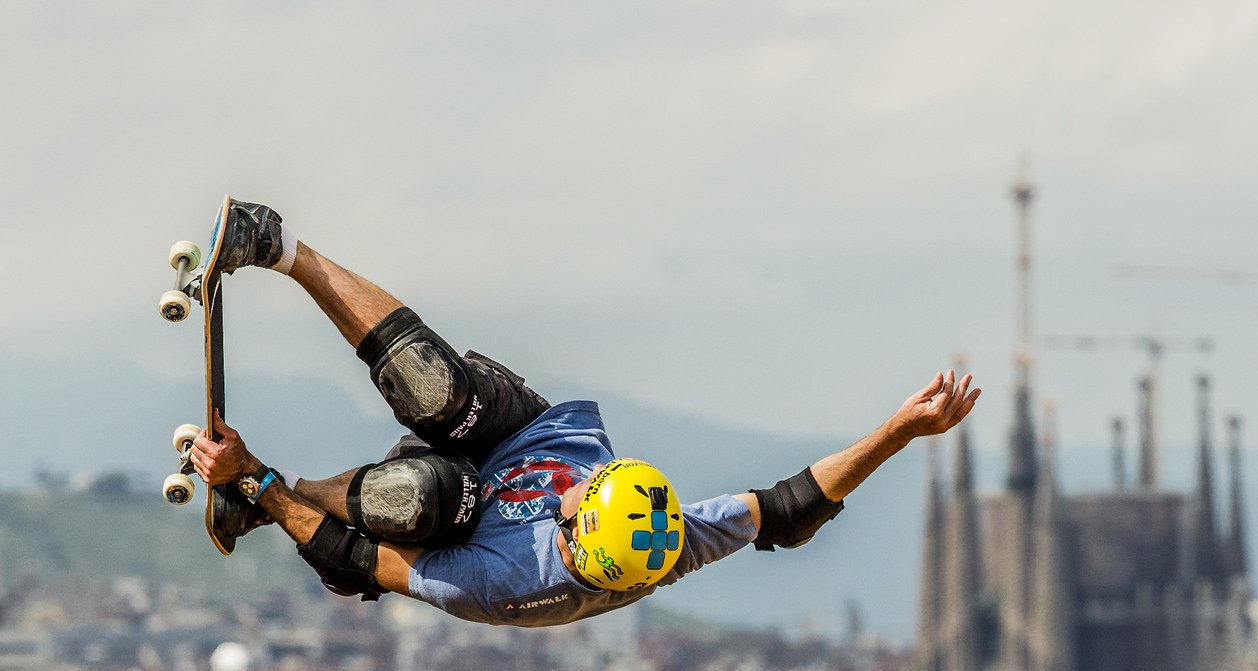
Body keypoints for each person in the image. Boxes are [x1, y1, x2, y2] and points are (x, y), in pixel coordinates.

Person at [185, 199, 979, 627]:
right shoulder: (664, 540)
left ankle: (275, 497)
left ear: (573, 541)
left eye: (574, 503)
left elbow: (364, 563)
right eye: (590, 482)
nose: (570, 488)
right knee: (437, 393)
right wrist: (900, 431)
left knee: (420, 498)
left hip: (449, 521)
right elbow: (791, 508)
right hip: (520, 429)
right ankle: (278, 243)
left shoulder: (500, 584)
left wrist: (259, 483)